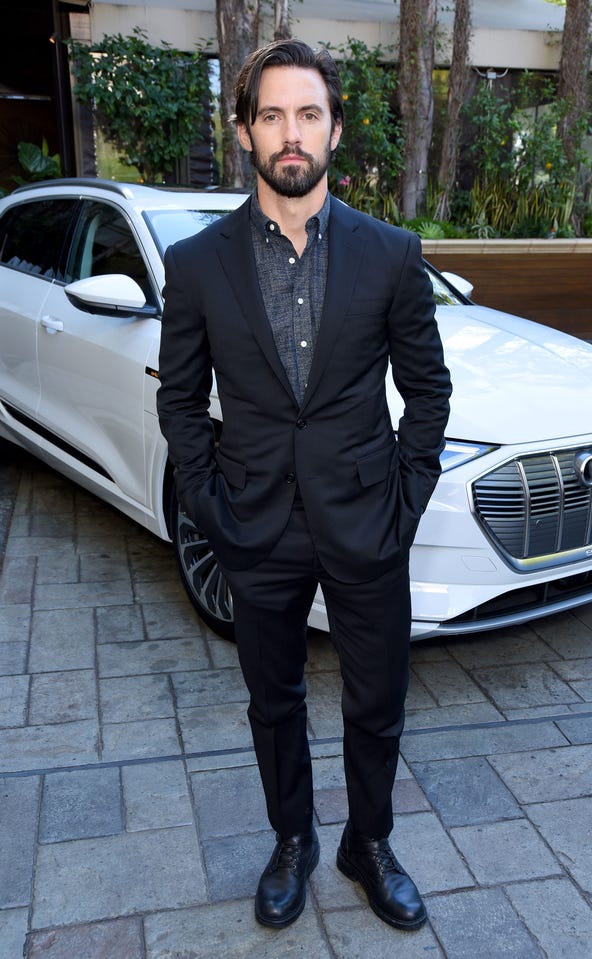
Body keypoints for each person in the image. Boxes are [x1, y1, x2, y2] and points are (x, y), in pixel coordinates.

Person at [157, 38, 452, 931]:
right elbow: (180, 401)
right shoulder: (198, 263)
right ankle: (293, 839)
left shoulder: (391, 254)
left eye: (309, 114)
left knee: (378, 699)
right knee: (273, 700)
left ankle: (369, 841)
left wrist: (404, 503)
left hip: (368, 521)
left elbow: (428, 392)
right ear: (244, 132)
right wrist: (209, 504)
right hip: (254, 526)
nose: (292, 133)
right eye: (273, 115)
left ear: (335, 129)